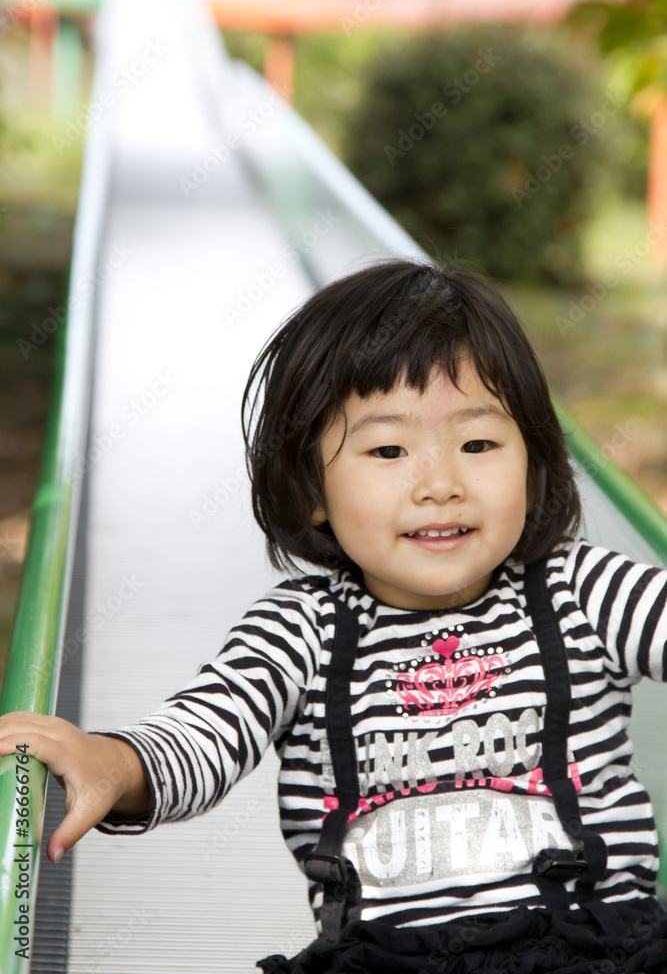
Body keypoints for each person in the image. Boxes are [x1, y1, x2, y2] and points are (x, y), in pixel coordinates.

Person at [1, 258, 667, 973]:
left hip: (588, 944)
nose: (440, 485)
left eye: (478, 445)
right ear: (310, 488)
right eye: (387, 450)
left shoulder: (579, 589)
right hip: (383, 957)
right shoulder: (301, 630)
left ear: (532, 467)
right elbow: (202, 734)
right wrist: (113, 763)